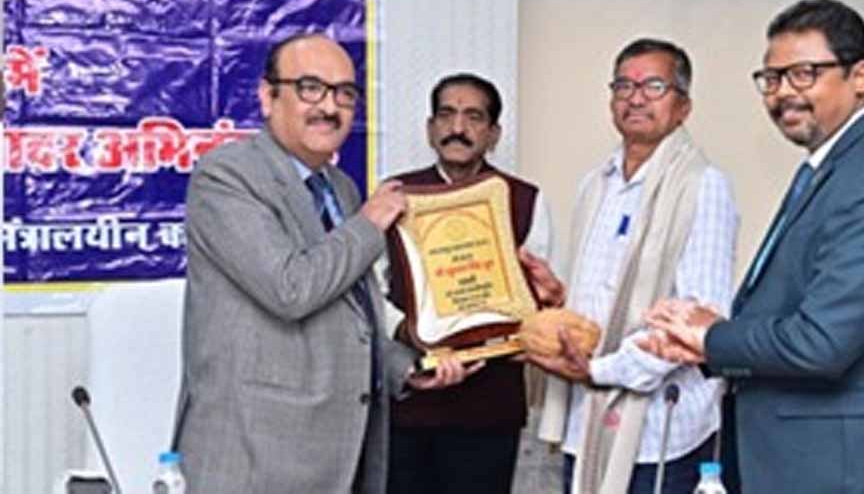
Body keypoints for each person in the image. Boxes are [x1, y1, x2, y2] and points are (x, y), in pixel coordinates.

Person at [641, 0, 864, 494]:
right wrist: (703, 348)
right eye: (772, 78)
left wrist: (712, 338)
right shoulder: (833, 168)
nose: (783, 93)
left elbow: (822, 344)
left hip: (844, 470)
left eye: (803, 74)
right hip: (798, 462)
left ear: (860, 76)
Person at [172, 33, 474, 494]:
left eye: (345, 93)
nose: (330, 107)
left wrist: (408, 368)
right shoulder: (226, 175)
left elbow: (351, 312)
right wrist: (370, 222)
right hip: (254, 456)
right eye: (311, 88)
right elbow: (290, 288)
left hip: (338, 455)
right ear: (268, 96)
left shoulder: (340, 187)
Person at [523, 38, 739, 494]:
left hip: (662, 430)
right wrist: (559, 298)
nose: (635, 98)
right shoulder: (596, 183)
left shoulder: (703, 185)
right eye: (624, 85)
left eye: (653, 86)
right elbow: (605, 295)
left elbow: (698, 319)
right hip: (588, 418)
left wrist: (599, 370)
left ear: (683, 107)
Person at [382, 73, 555, 494]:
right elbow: (372, 290)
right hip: (412, 399)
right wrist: (410, 331)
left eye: (473, 117)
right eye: (446, 115)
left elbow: (537, 297)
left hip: (489, 407)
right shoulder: (394, 196)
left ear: (493, 134)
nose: (457, 128)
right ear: (430, 129)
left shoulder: (526, 200)